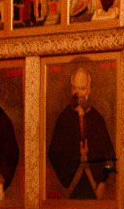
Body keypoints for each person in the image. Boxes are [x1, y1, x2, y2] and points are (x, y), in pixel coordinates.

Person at [47, 64, 116, 199]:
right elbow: (53, 154)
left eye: (82, 88)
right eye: (75, 88)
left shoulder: (97, 119)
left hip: (95, 186)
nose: (78, 93)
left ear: (89, 89)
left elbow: (110, 157)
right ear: (71, 89)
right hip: (70, 187)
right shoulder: (64, 118)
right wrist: (64, 181)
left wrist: (103, 182)